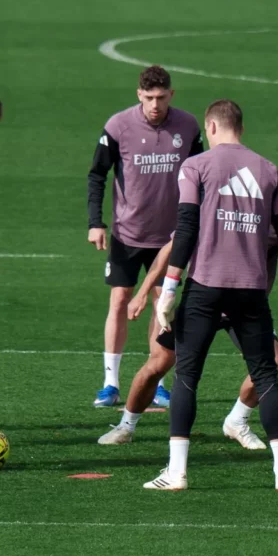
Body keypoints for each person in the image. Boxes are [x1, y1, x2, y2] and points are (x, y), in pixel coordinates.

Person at [141, 99, 278, 491]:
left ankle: (177, 472)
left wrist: (168, 289)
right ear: (241, 129)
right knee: (267, 377)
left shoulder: (196, 166)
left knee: (186, 377)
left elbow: (185, 230)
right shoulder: (269, 170)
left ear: (210, 128)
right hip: (251, 290)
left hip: (205, 287)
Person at [98, 229, 278, 448]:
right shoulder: (210, 208)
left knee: (271, 363)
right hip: (203, 304)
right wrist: (142, 292)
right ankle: (126, 426)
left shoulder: (266, 213)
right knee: (159, 363)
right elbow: (171, 247)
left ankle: (236, 420)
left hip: (246, 309)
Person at [86, 65, 203, 408]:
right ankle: (110, 383)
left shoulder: (188, 126)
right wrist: (96, 222)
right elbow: (97, 175)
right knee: (120, 300)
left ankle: (160, 380)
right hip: (127, 233)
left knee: (161, 302)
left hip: (170, 238)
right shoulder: (118, 126)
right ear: (139, 94)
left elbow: (199, 176)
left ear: (172, 95)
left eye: (161, 98)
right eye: (149, 97)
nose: (155, 104)